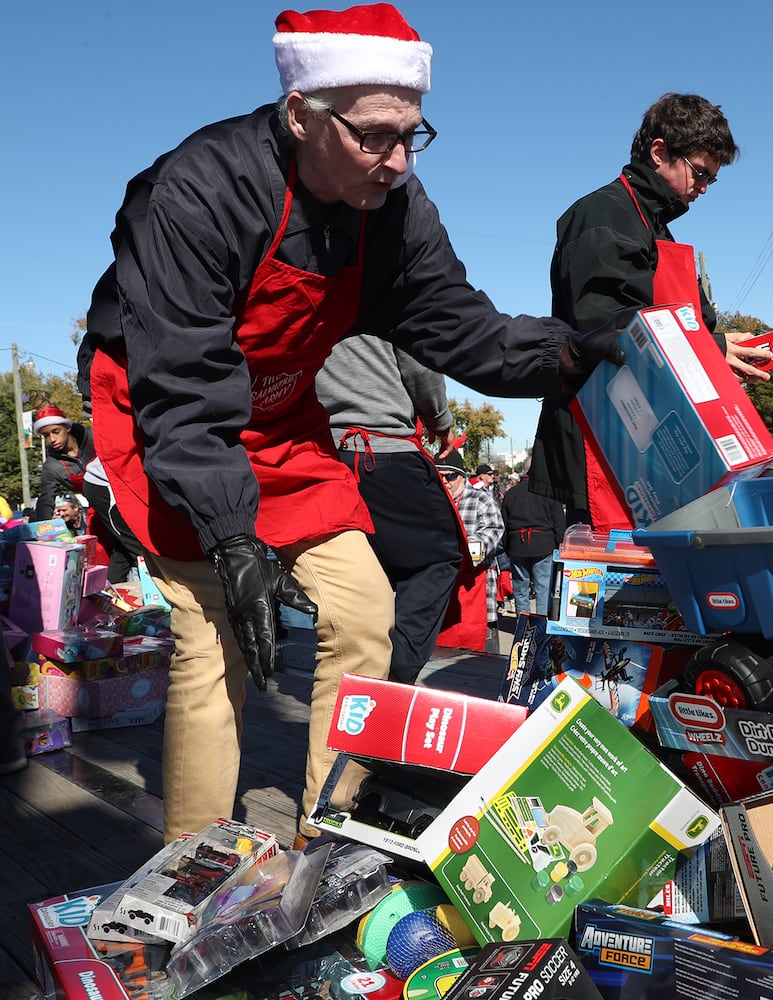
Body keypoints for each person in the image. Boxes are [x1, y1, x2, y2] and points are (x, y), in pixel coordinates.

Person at [76, 3, 616, 846]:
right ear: (301, 115)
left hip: (283, 422)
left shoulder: (395, 209)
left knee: (363, 614)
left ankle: (327, 836)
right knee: (216, 633)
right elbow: (183, 380)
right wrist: (231, 536)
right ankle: (194, 870)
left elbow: (461, 329)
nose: (397, 162)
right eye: (373, 137)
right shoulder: (197, 189)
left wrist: (579, 352)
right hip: (173, 422)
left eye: (413, 135)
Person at [528, 92, 771, 529]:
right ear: (659, 152)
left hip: (649, 447)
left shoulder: (656, 226)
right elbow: (608, 330)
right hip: (602, 443)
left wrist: (721, 342)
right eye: (700, 174)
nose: (704, 189)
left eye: (712, 180)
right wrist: (709, 348)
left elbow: (675, 320)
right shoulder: (606, 216)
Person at [315, 334, 463, 685]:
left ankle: (353, 663)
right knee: (437, 558)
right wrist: (440, 421)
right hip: (381, 449)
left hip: (320, 452)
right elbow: (420, 361)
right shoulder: (382, 284)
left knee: (358, 567)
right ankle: (392, 675)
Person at [443, 453, 505, 650]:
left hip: (476, 588)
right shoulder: (431, 499)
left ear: (461, 476)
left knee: (483, 657)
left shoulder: (481, 499)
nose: (445, 481)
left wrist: (462, 551)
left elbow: (494, 531)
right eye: (440, 476)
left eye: (450, 476)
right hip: (442, 590)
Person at [500, 456, 566, 616]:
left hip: (517, 547)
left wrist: (508, 548)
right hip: (543, 546)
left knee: (520, 590)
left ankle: (522, 627)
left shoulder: (511, 494)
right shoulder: (550, 493)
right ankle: (540, 627)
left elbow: (504, 525)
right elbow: (559, 523)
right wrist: (561, 545)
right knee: (543, 589)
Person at [32, 406, 96, 521]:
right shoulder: (52, 466)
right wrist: (40, 526)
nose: (52, 439)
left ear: (67, 427)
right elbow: (46, 498)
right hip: (97, 510)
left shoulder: (95, 439)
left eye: (56, 432)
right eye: (46, 435)